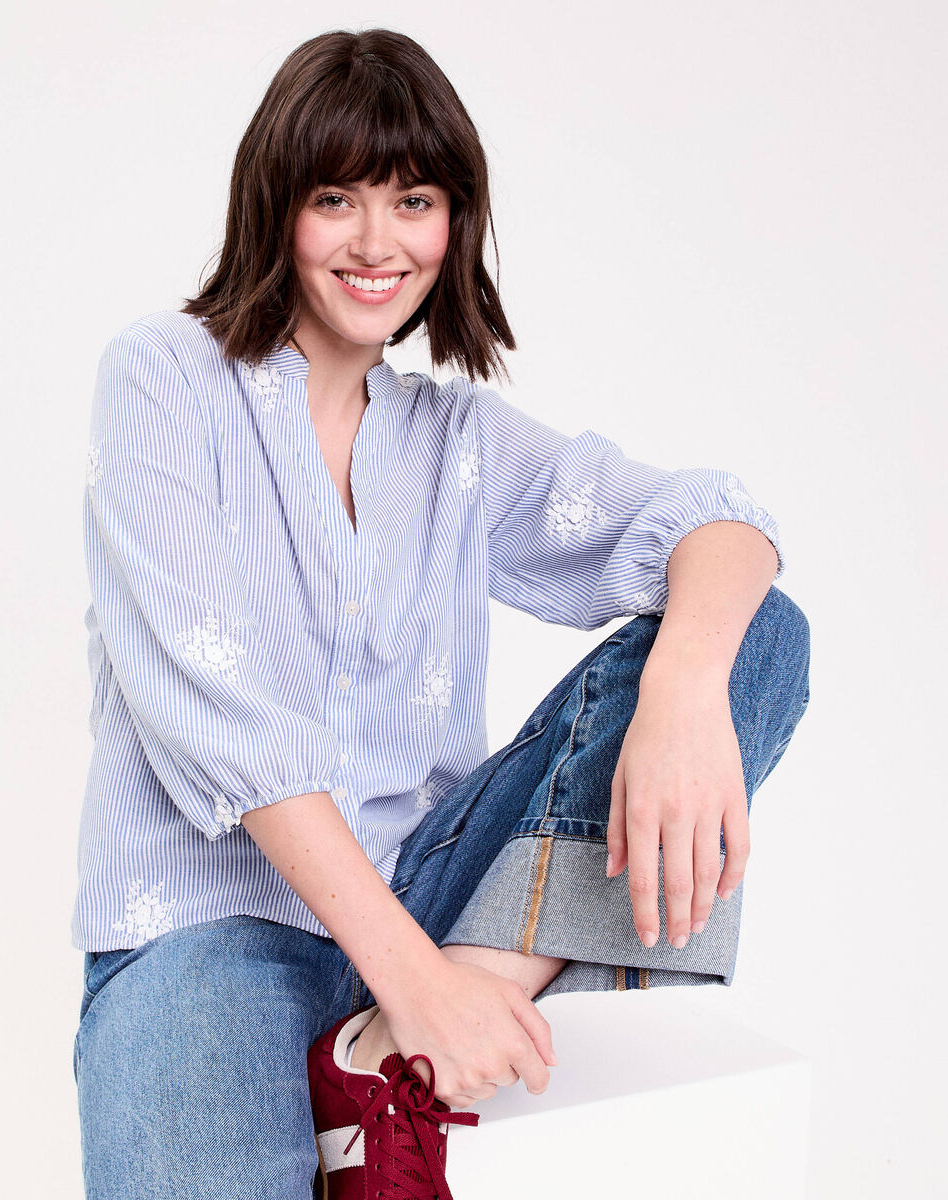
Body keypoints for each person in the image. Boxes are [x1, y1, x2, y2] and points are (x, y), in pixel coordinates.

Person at [70, 26, 811, 1200]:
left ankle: (390, 1067)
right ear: (276, 206)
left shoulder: (455, 441)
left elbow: (720, 522)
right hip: (209, 926)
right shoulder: (164, 375)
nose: (377, 242)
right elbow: (229, 721)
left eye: (413, 200)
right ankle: (413, 1030)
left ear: (454, 223)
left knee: (753, 633)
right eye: (336, 198)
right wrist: (414, 984)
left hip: (438, 905)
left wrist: (678, 689)